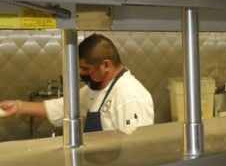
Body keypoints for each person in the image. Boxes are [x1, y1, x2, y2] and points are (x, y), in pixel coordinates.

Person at [0, 33, 153, 134]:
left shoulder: (129, 95)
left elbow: (137, 149)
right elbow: (63, 108)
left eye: (86, 69)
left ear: (106, 65)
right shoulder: (96, 90)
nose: (82, 74)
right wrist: (19, 106)